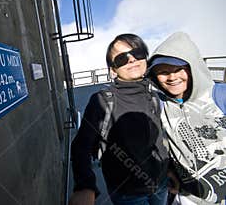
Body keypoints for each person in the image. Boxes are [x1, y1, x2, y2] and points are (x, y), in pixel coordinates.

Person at [69, 33, 170, 205]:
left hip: (160, 185)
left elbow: (160, 140)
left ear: (145, 58)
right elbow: (81, 146)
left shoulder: (154, 96)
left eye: (137, 53)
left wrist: (169, 172)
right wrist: (85, 186)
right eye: (122, 58)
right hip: (128, 194)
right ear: (113, 70)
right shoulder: (102, 100)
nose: (131, 60)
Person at [148, 32, 226, 204]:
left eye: (178, 69)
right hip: (189, 198)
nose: (171, 77)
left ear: (192, 68)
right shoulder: (159, 105)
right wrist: (169, 172)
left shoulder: (220, 95)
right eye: (162, 72)